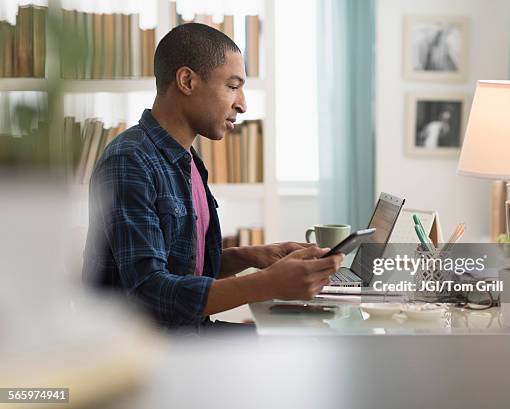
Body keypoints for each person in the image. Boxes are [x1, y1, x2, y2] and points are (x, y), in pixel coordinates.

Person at [82, 23, 343, 329]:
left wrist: (255, 255)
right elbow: (150, 294)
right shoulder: (130, 160)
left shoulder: (187, 158)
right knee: (299, 349)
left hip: (188, 334)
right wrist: (267, 284)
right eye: (232, 86)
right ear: (187, 81)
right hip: (147, 352)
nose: (242, 104)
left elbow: (182, 266)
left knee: (301, 336)